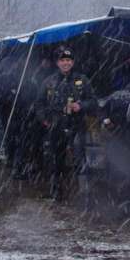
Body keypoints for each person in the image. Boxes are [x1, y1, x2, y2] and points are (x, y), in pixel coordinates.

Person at [35, 46, 97, 200]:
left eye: (68, 60)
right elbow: (39, 104)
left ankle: (84, 193)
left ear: (73, 62)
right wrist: (45, 120)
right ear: (57, 63)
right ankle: (56, 191)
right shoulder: (49, 82)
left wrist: (81, 105)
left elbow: (93, 101)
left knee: (79, 158)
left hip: (77, 125)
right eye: (62, 60)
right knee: (55, 159)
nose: (65, 63)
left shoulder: (81, 80)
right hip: (56, 125)